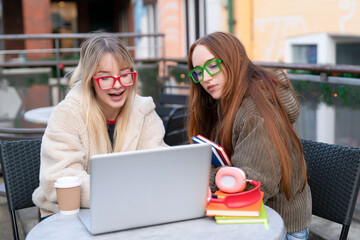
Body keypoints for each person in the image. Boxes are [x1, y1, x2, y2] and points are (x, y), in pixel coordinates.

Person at [187, 32, 311, 239]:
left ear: (234, 60)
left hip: (278, 228)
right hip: (250, 218)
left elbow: (253, 184)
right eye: (198, 72)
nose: (205, 78)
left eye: (212, 66)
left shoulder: (254, 113)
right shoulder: (226, 99)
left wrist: (199, 175)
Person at [33, 33, 166, 218]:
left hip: (127, 211)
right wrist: (125, 192)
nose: (117, 85)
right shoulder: (67, 114)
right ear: (90, 81)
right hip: (66, 217)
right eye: (105, 78)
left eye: (124, 75)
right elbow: (61, 179)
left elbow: (159, 163)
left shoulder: (144, 110)